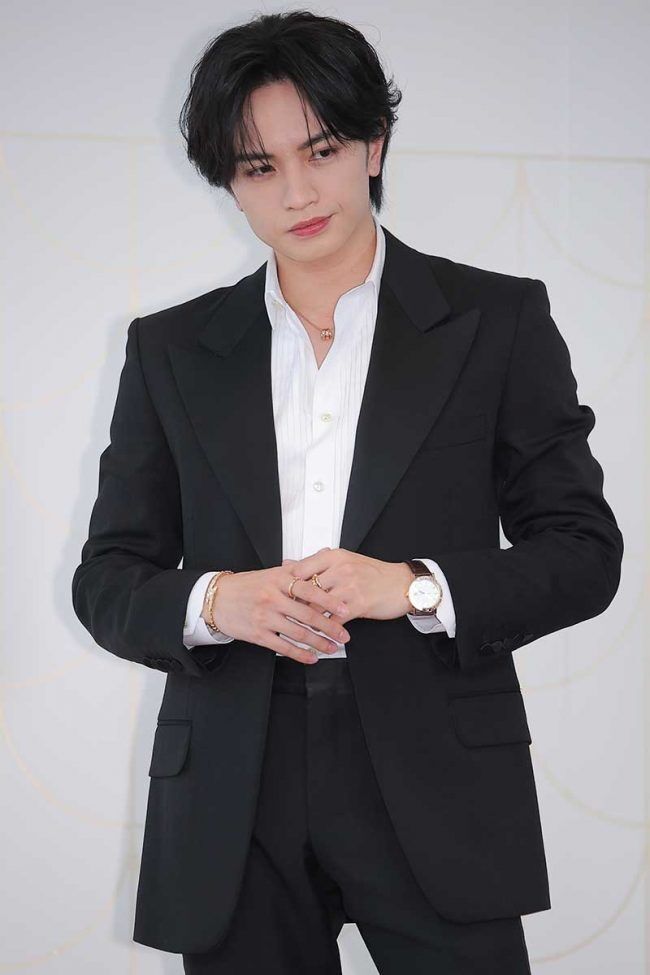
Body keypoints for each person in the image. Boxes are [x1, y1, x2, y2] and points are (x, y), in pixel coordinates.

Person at [71, 10, 624, 974]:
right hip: (235, 784)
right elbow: (107, 577)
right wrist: (217, 601)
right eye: (259, 167)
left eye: (320, 150)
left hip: (436, 772)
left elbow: (583, 552)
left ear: (373, 142)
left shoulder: (497, 319)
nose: (297, 192)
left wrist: (410, 585)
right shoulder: (170, 350)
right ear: (228, 182)